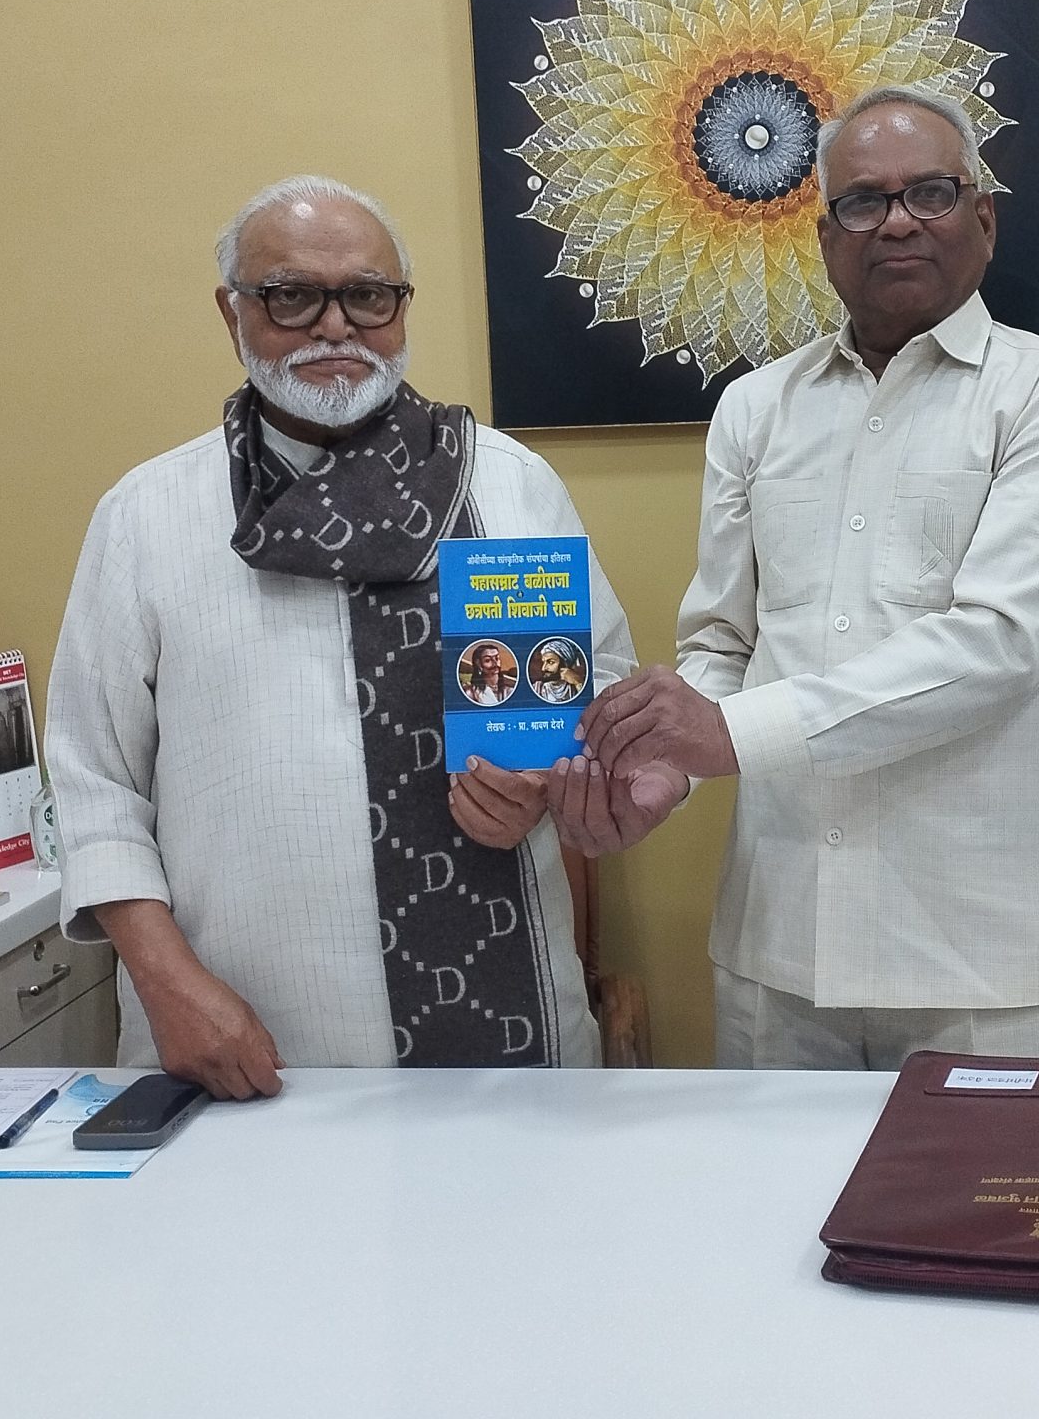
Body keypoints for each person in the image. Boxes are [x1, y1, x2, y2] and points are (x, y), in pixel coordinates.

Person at [572, 84, 1039, 1070]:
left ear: (984, 219)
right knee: (771, 1183)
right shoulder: (755, 409)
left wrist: (727, 735)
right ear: (827, 237)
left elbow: (1000, 645)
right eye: (864, 202)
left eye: (931, 193)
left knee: (986, 1188)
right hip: (782, 943)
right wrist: (667, 770)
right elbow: (723, 643)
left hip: (985, 956)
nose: (898, 221)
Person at [46, 174, 634, 1095]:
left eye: (367, 296)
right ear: (232, 312)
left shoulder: (508, 487)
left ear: (401, 307)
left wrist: (551, 782)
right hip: (240, 1030)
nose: (334, 327)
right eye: (291, 297)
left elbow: (606, 703)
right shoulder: (146, 517)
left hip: (508, 1035)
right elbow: (93, 783)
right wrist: (165, 985)